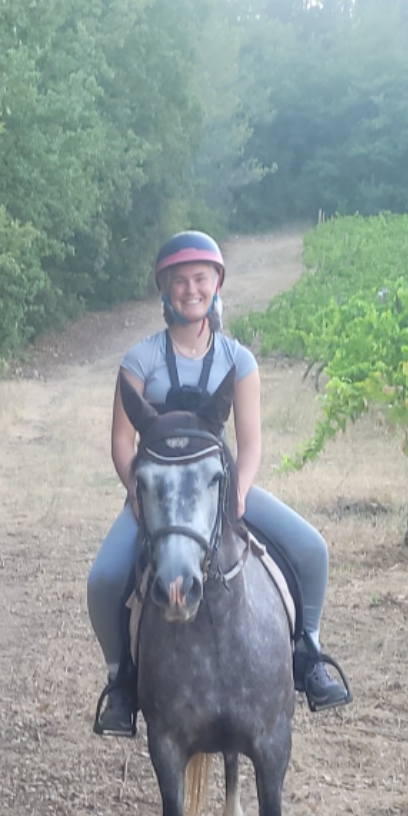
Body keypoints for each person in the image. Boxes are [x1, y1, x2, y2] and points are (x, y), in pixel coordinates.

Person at [88, 230, 352, 736]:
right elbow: (122, 441)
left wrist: (240, 492)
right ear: (165, 289)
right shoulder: (140, 360)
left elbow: (249, 443)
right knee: (103, 579)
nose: (191, 289)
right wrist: (136, 496)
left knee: (311, 549)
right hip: (160, 496)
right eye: (180, 280)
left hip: (221, 491)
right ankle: (120, 682)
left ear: (216, 284)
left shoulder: (238, 360)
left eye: (201, 278)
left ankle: (309, 654)